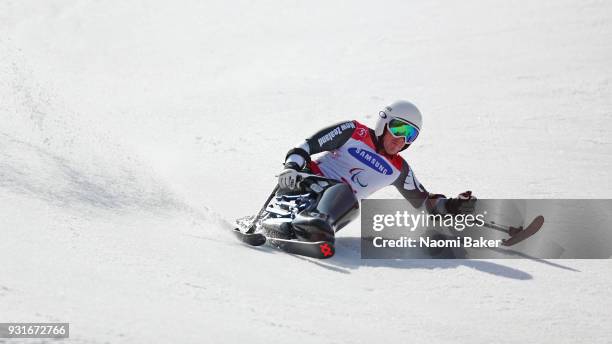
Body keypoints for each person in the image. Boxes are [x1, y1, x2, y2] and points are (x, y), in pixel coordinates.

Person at [274, 100, 475, 243]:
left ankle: (310, 227)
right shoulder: (353, 132)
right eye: (398, 129)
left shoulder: (399, 169)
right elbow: (307, 146)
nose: (401, 139)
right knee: (344, 192)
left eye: (410, 135)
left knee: (350, 202)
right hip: (304, 183)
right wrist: (291, 167)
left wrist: (451, 205)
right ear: (383, 123)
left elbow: (423, 202)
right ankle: (295, 221)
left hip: (332, 209)